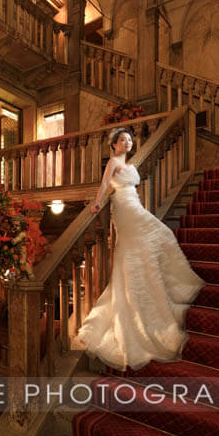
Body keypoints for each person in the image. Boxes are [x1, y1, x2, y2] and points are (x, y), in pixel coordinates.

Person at [78, 127, 205, 371]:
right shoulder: (113, 163)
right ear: (114, 144)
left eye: (128, 140)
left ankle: (147, 284)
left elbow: (132, 189)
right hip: (124, 208)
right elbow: (105, 186)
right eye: (122, 140)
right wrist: (96, 204)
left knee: (153, 240)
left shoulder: (129, 163)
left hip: (133, 203)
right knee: (157, 234)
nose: (126, 142)